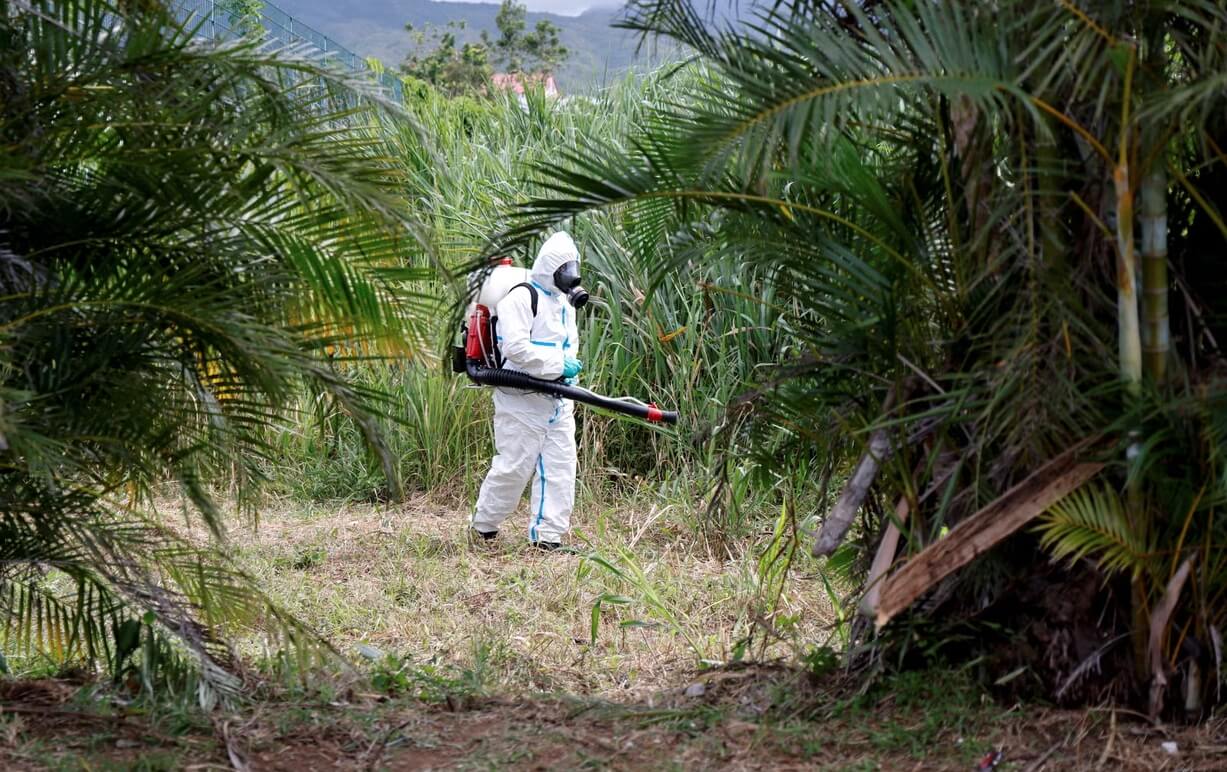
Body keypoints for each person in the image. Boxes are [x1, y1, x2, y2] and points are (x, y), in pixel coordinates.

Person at [470, 232, 585, 550]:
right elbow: (516, 348)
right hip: (521, 400)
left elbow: (568, 344)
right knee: (514, 467)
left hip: (558, 400)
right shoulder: (521, 297)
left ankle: (548, 538)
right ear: (551, 269)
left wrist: (568, 368)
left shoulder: (564, 302)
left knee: (561, 468)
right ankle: (484, 527)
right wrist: (558, 364)